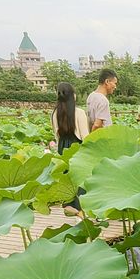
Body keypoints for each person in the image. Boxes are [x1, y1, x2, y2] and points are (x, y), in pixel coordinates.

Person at [51, 82, 89, 216]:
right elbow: (85, 136)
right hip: (76, 146)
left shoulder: (55, 113)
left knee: (68, 177)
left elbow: (56, 134)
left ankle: (69, 206)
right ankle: (81, 208)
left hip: (62, 146)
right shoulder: (79, 112)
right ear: (73, 95)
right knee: (81, 176)